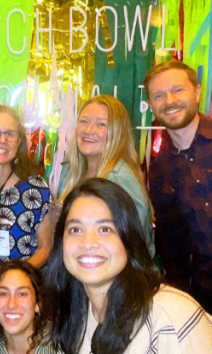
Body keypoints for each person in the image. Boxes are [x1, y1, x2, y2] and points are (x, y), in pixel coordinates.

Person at [45, 178, 212, 354]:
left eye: (105, 229)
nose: (88, 243)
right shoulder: (74, 317)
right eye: (75, 230)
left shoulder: (171, 319)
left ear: (128, 238)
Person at [143, 60, 212, 312]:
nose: (169, 100)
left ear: (196, 92)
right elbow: (172, 246)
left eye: (178, 90)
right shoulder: (159, 170)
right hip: (197, 305)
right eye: (159, 96)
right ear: (151, 105)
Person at [54, 95, 153, 255]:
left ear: (117, 132)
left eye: (101, 124)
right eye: (84, 121)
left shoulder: (120, 179)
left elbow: (134, 247)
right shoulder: (70, 172)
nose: (89, 130)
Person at [0, 106, 55, 271]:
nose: (2, 140)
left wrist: (13, 279)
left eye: (10, 134)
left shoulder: (37, 189)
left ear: (18, 142)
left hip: (21, 289)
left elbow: (45, 248)